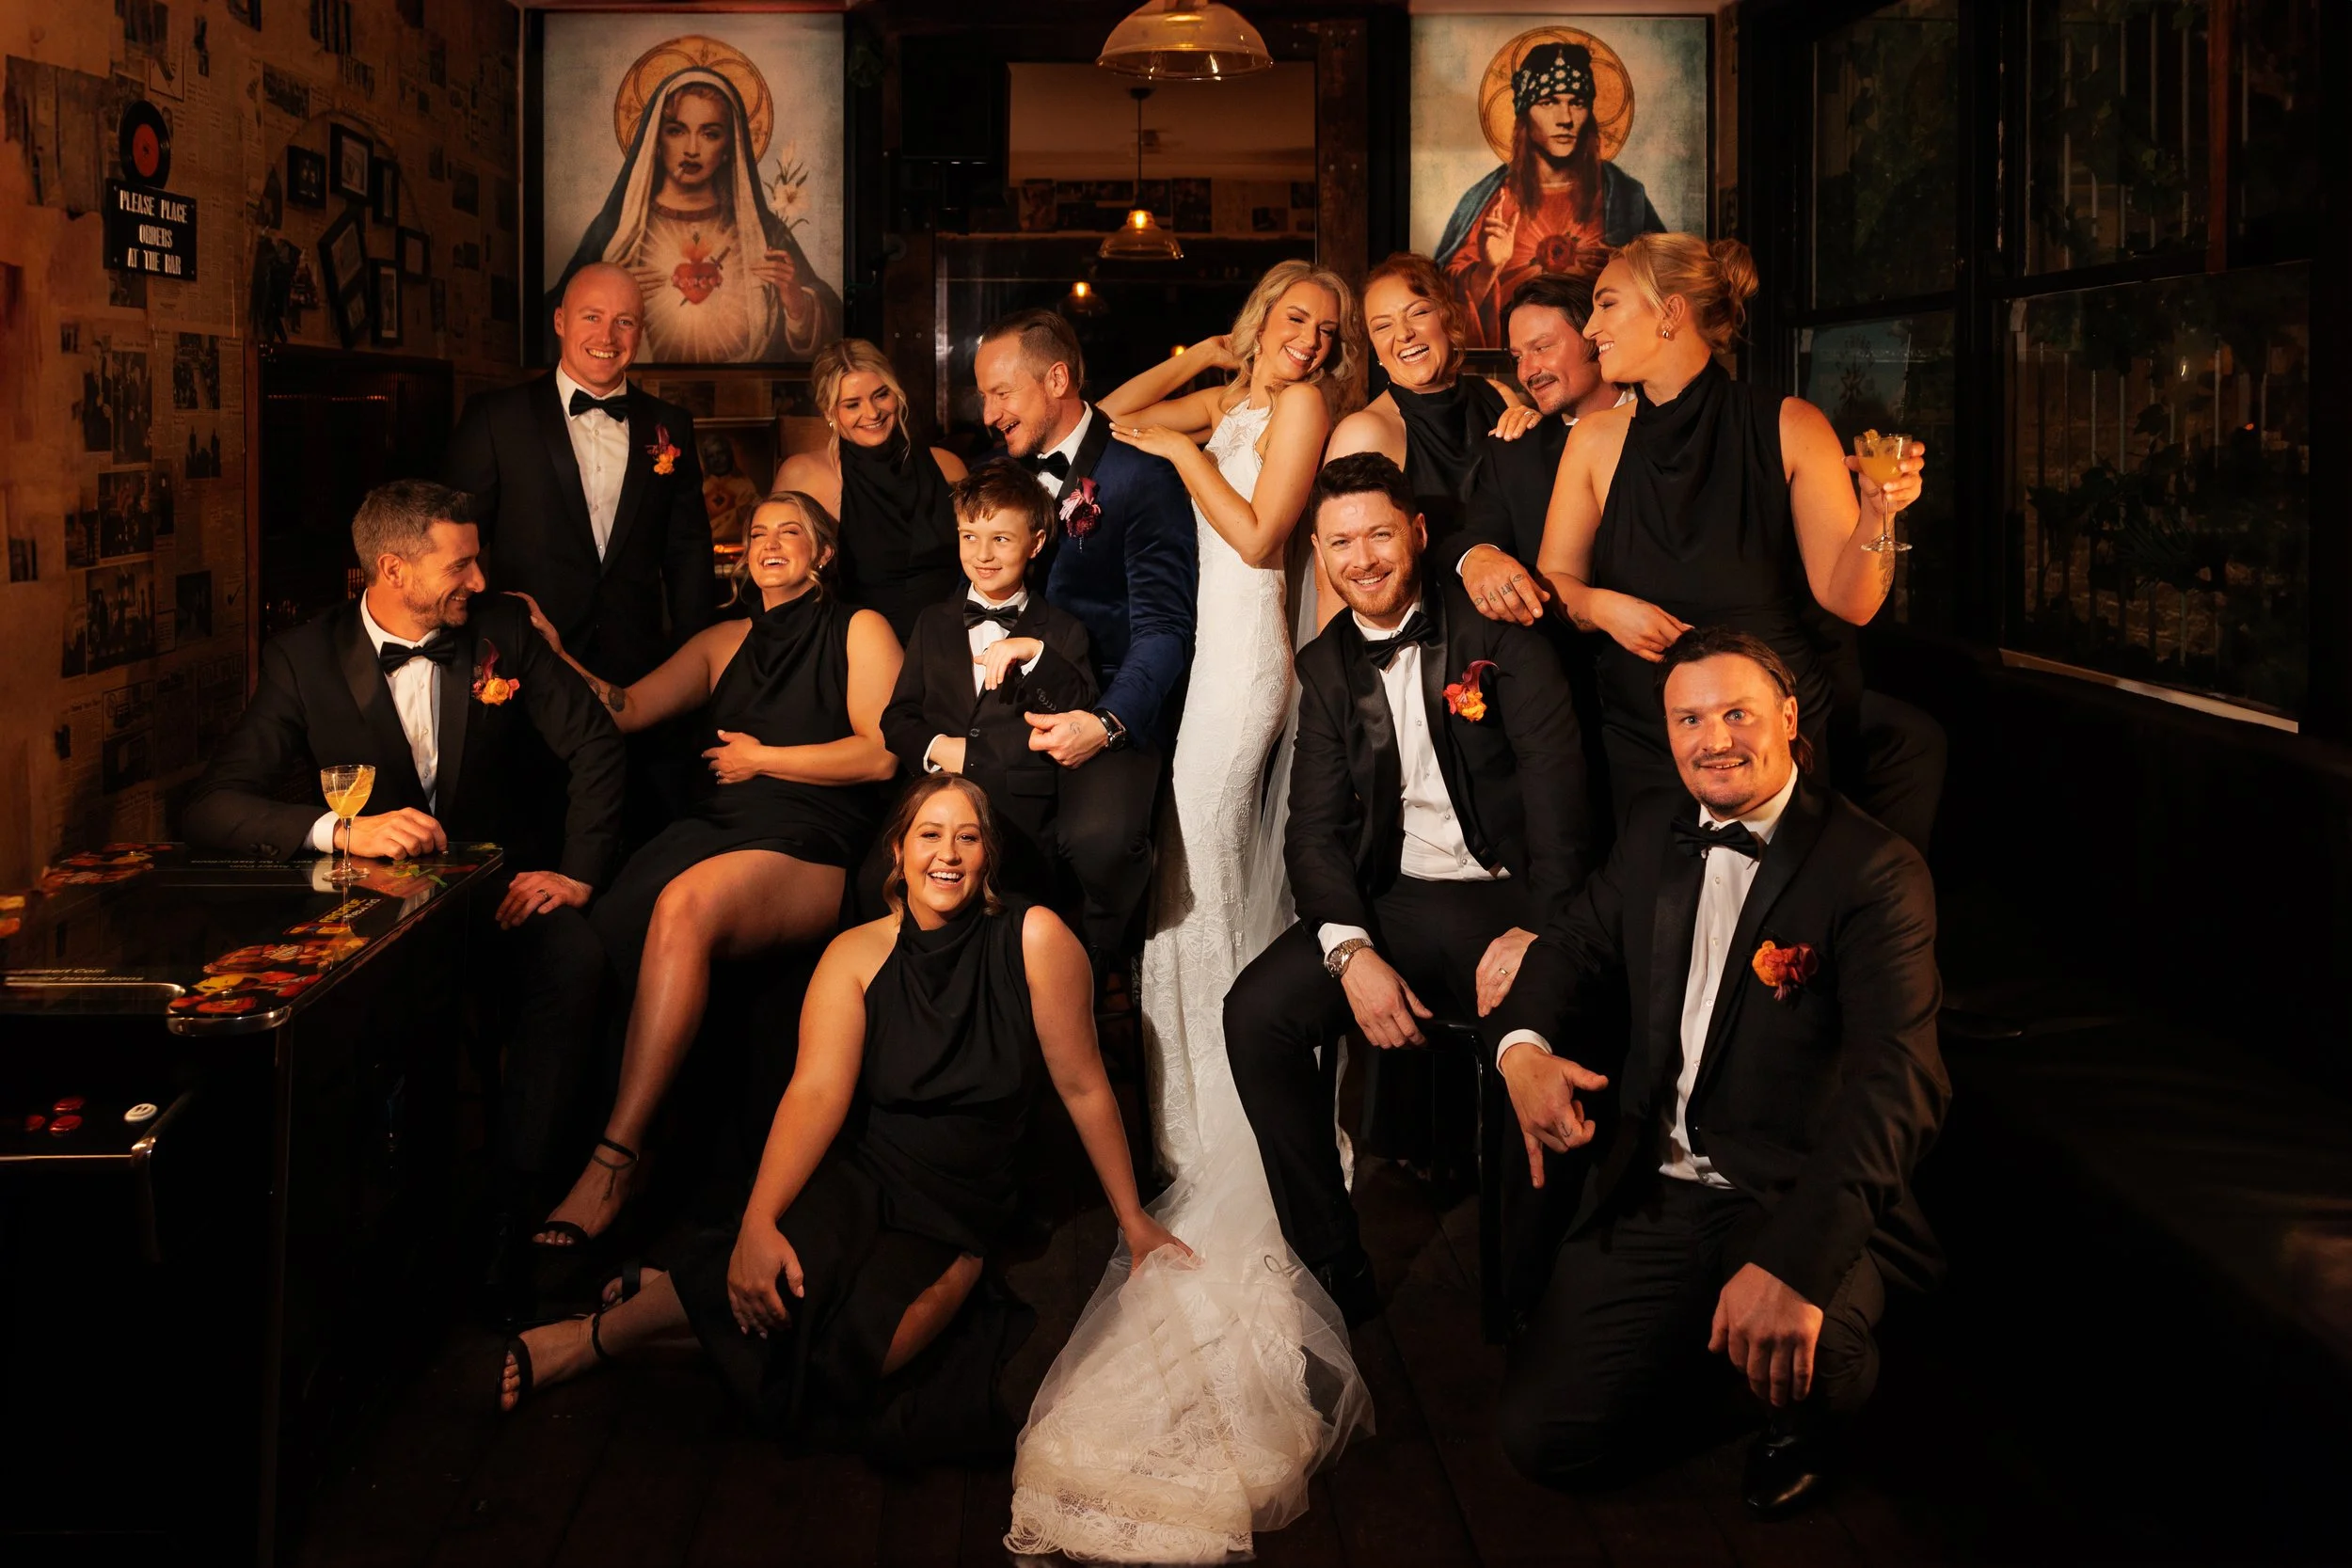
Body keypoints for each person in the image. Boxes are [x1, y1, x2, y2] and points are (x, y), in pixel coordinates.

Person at [1004, 264, 1375, 1562]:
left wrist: (1182, 442)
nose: (1311, 339)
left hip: (1244, 664)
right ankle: (1177, 1115)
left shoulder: (1310, 414)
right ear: (1264, 312)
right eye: (1294, 317)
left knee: (1215, 873)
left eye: (1326, 332)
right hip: (1198, 662)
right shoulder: (1229, 385)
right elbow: (1107, 402)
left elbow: (1266, 538)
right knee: (1177, 883)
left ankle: (1237, 1121)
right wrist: (1192, 367)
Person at [498, 776, 1185, 1468]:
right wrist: (762, 1219)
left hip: (963, 1202)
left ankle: (674, 1289)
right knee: (777, 1275)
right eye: (929, 833)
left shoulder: (1036, 938)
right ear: (898, 850)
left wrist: (1133, 1218)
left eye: (967, 837)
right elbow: (815, 1091)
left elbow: (1084, 1084)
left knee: (866, 1354)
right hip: (867, 1171)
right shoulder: (854, 953)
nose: (947, 853)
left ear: (987, 858)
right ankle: (591, 1339)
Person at [1486, 627, 1947, 1518]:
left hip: (1788, 1187)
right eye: (1689, 718)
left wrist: (1800, 1265)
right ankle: (1720, 1353)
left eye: (1737, 712)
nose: (1715, 738)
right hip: (1660, 1181)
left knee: (1827, 1345)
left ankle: (1810, 1408)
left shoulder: (1875, 870)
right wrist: (1524, 1047)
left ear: (1788, 719)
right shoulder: (1658, 826)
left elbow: (1902, 1084)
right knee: (1544, 1439)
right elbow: (1574, 941)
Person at [180, 480, 625, 1269]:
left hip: (499, 894)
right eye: (461, 565)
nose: (480, 581)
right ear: (392, 568)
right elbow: (213, 805)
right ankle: (361, 1234)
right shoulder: (303, 658)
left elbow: (595, 744)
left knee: (575, 960)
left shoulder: (504, 630)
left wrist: (576, 873)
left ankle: (516, 1203)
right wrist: (344, 831)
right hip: (373, 917)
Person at [1222, 453, 1591, 1324]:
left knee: (1533, 1038)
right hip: (1396, 900)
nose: (1363, 558)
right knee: (1256, 1014)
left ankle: (1522, 1306)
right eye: (1341, 542)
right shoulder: (1324, 664)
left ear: (1418, 534)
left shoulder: (1495, 633)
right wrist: (1349, 950)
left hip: (1512, 898)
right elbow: (1309, 835)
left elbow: (1562, 803)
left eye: (1380, 534)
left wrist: (1541, 929)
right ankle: (1335, 1264)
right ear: (1319, 551)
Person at [523, 494, 901, 1248]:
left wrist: (763, 759)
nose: (768, 542)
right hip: (713, 826)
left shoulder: (860, 628)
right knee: (607, 927)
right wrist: (551, 649)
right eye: (756, 532)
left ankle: (616, 1158)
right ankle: (602, 1151)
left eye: (789, 531)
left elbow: (881, 751)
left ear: (822, 553)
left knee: (686, 904)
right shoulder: (722, 642)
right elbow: (622, 709)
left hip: (812, 836)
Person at [1536, 233, 1926, 817]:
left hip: (1769, 734)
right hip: (1648, 734)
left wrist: (1879, 511)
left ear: (1670, 311)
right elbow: (1554, 581)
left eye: (1606, 303)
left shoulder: (1793, 426)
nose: (1590, 329)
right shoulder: (1593, 441)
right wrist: (1603, 607)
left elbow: (1854, 604)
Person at [973, 309, 1197, 971]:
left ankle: (1090, 980)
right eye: (984, 395)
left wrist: (1106, 723)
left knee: (1099, 842)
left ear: (1057, 379)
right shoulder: (997, 474)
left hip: (1105, 701)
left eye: (1001, 392)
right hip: (1011, 701)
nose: (988, 412)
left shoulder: (1141, 475)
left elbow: (1164, 628)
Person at [446, 263, 716, 693]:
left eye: (623, 322)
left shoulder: (672, 425)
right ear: (560, 321)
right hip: (524, 661)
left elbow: (689, 551)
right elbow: (455, 543)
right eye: (592, 317)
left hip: (642, 666)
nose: (607, 337)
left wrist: (696, 658)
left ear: (640, 332)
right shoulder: (496, 418)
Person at [881, 460, 1097, 905]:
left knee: (1016, 913)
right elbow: (898, 718)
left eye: (1000, 539)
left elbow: (1080, 708)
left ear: (1036, 543)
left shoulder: (1062, 631)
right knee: (873, 889)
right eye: (969, 537)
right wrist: (942, 748)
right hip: (936, 810)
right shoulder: (933, 621)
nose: (982, 555)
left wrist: (1035, 655)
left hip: (1018, 823)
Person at [549, 64, 840, 362]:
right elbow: (553, 321)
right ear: (657, 141)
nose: (691, 149)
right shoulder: (618, 230)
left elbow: (834, 334)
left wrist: (795, 300)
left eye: (710, 134)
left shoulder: (762, 231)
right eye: (676, 131)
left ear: (730, 146)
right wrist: (611, 292)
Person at [1325, 254, 1526, 613]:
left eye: (1417, 312)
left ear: (1447, 316)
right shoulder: (1365, 431)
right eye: (1383, 326)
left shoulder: (1499, 397)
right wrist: (1339, 666)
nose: (1403, 334)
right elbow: (1336, 575)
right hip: (1428, 642)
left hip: (1520, 623)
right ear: (1375, 348)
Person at [1435, 40, 1666, 346]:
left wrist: (1621, 273)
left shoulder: (1622, 196)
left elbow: (1665, 285)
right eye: (1548, 102)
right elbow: (1442, 303)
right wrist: (1488, 269)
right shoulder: (1491, 201)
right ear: (1524, 114)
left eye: (1578, 102)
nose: (1566, 118)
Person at [775, 338, 969, 641]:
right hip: (861, 657)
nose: (872, 412)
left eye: (881, 395)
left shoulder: (949, 467)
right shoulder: (804, 476)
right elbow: (777, 580)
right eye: (852, 404)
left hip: (950, 649)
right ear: (829, 413)